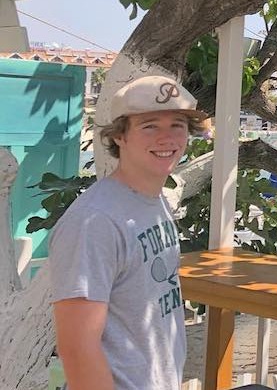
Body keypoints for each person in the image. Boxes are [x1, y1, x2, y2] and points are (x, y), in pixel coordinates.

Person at [50, 75, 208, 390]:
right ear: (119, 135)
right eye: (150, 126)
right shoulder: (95, 222)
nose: (167, 138)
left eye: (177, 125)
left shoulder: (153, 202)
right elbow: (77, 348)